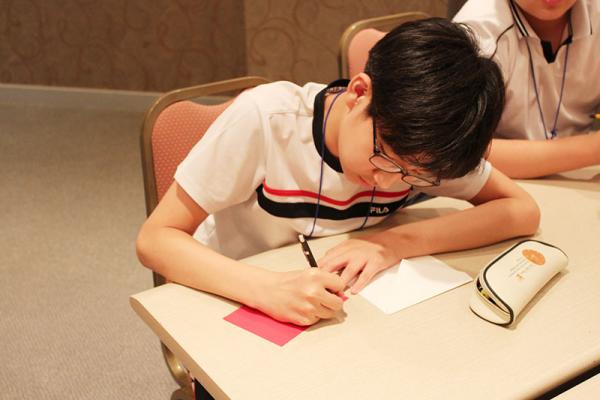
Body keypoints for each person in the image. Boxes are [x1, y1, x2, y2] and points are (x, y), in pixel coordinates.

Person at [136, 18, 540, 327]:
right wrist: (267, 288)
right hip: (233, 292)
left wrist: (395, 243)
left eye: (414, 176)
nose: (389, 181)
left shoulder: (425, 147)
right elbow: (155, 239)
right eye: (384, 157)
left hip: (336, 312)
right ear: (359, 93)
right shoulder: (267, 120)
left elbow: (521, 210)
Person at [454, 0, 600, 178]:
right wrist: (592, 149)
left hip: (580, 176)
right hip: (495, 181)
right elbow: (454, 151)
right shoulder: (477, 31)